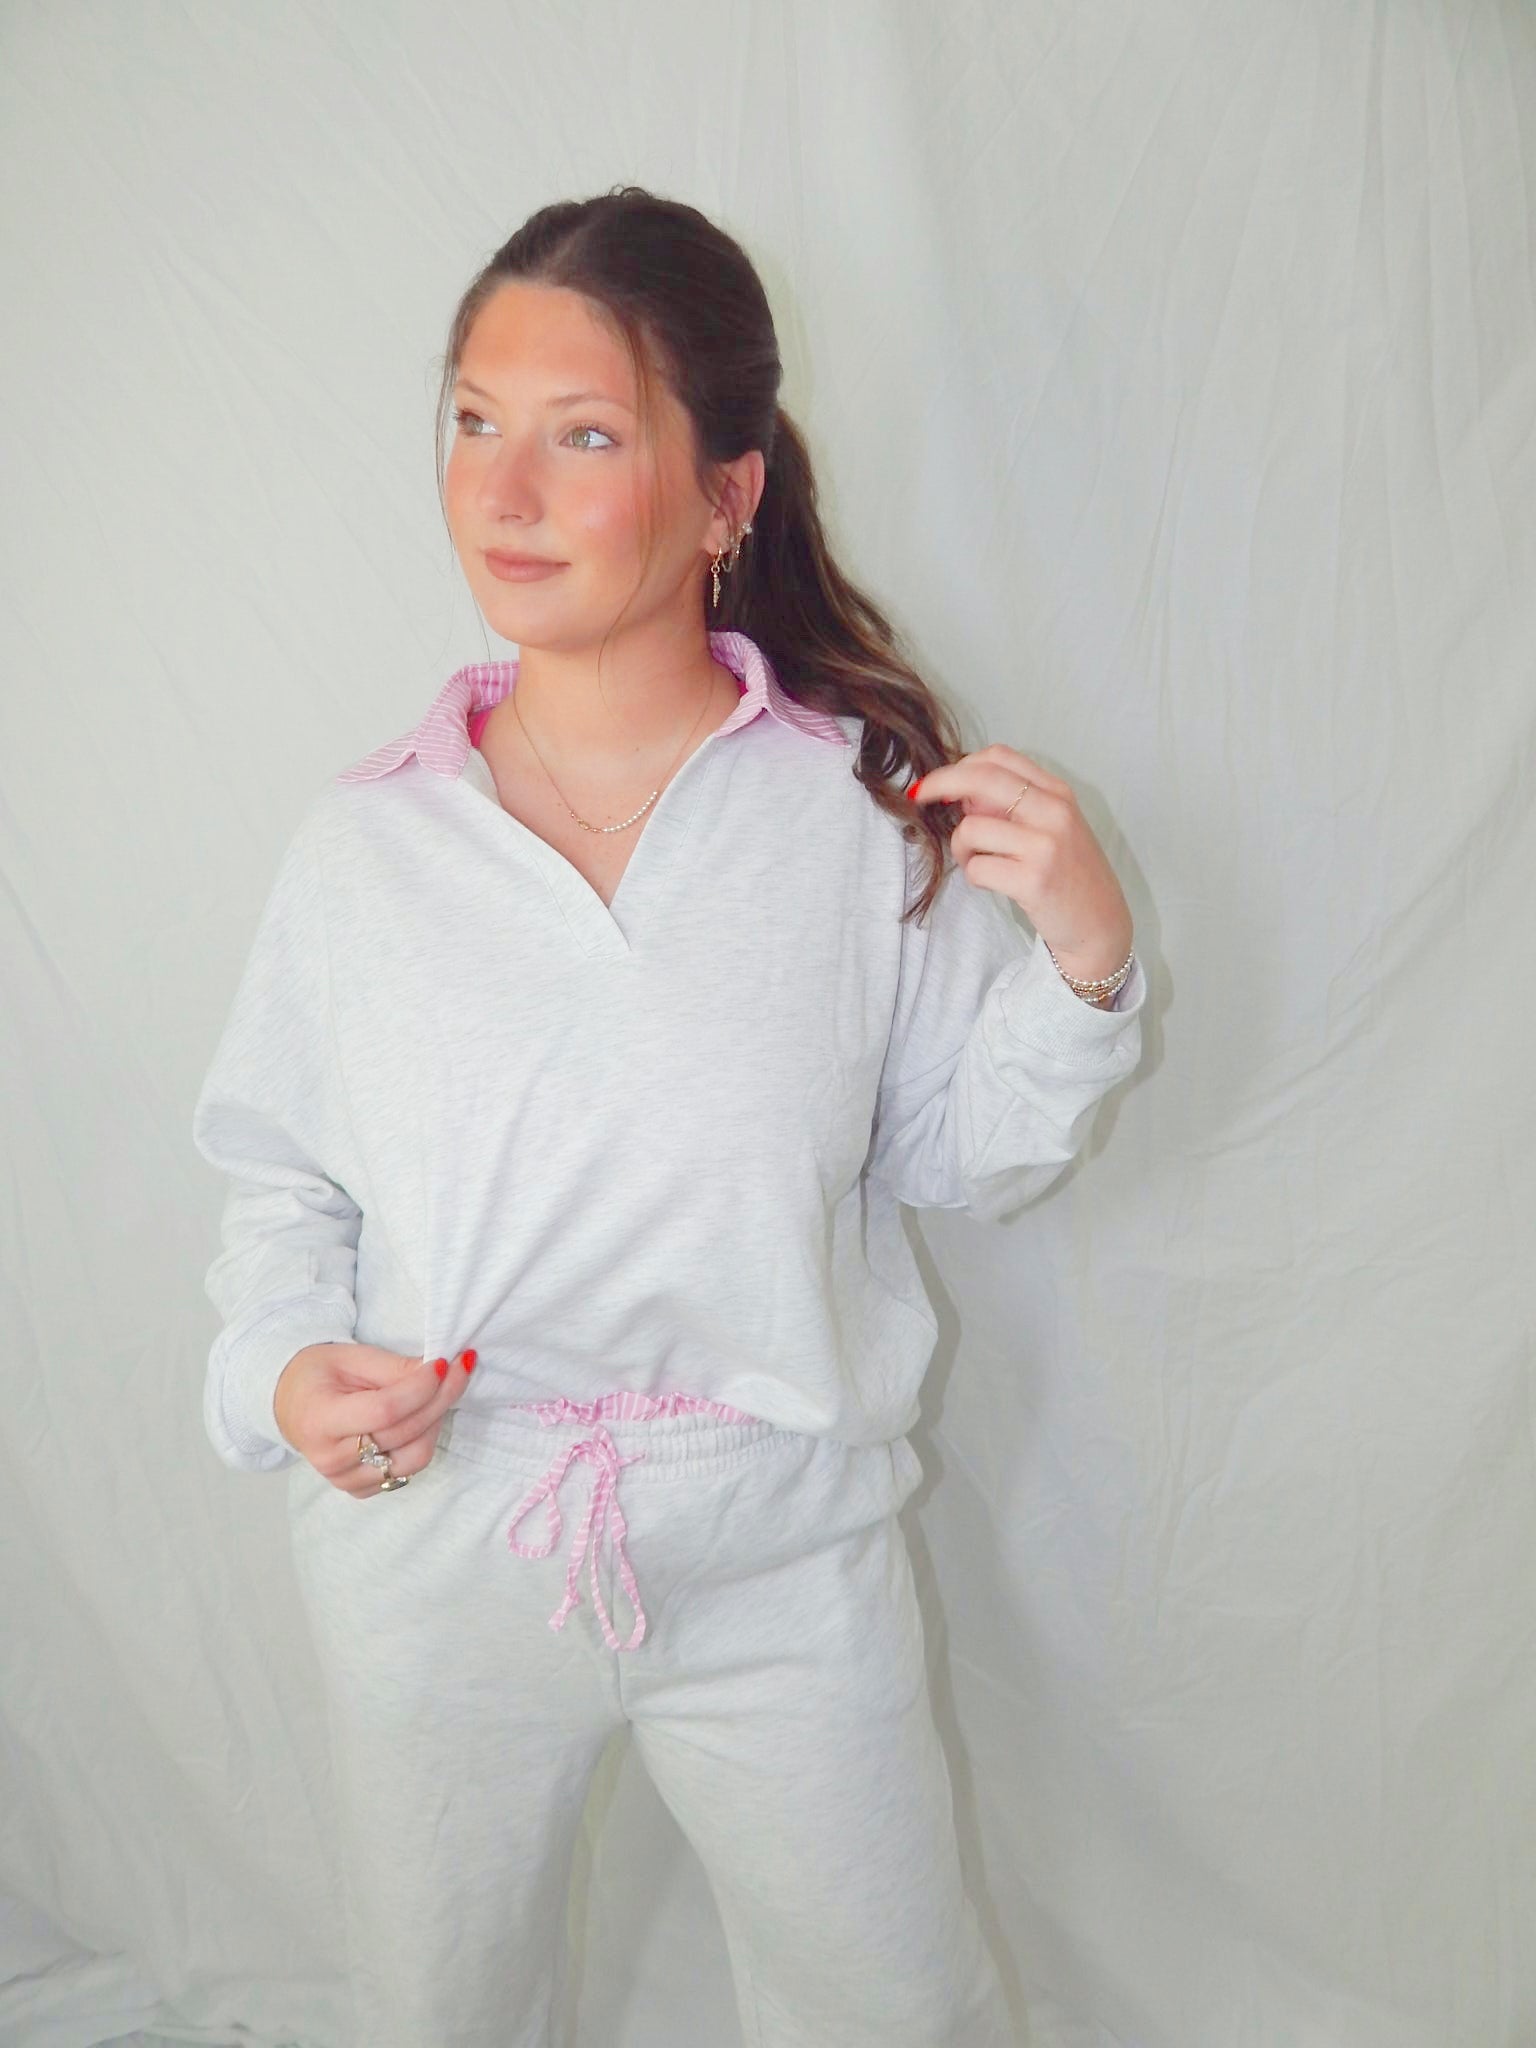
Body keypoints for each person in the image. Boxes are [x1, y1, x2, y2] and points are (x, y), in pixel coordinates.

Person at [191, 185, 1148, 2048]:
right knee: (446, 2011)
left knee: (893, 2010)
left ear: (728, 496)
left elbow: (954, 1152)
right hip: (439, 1553)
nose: (502, 491)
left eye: (584, 436)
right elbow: (279, 1184)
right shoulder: (367, 846)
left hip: (784, 1548)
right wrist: (283, 1375)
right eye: (475, 421)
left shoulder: (853, 810)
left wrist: (1088, 964)